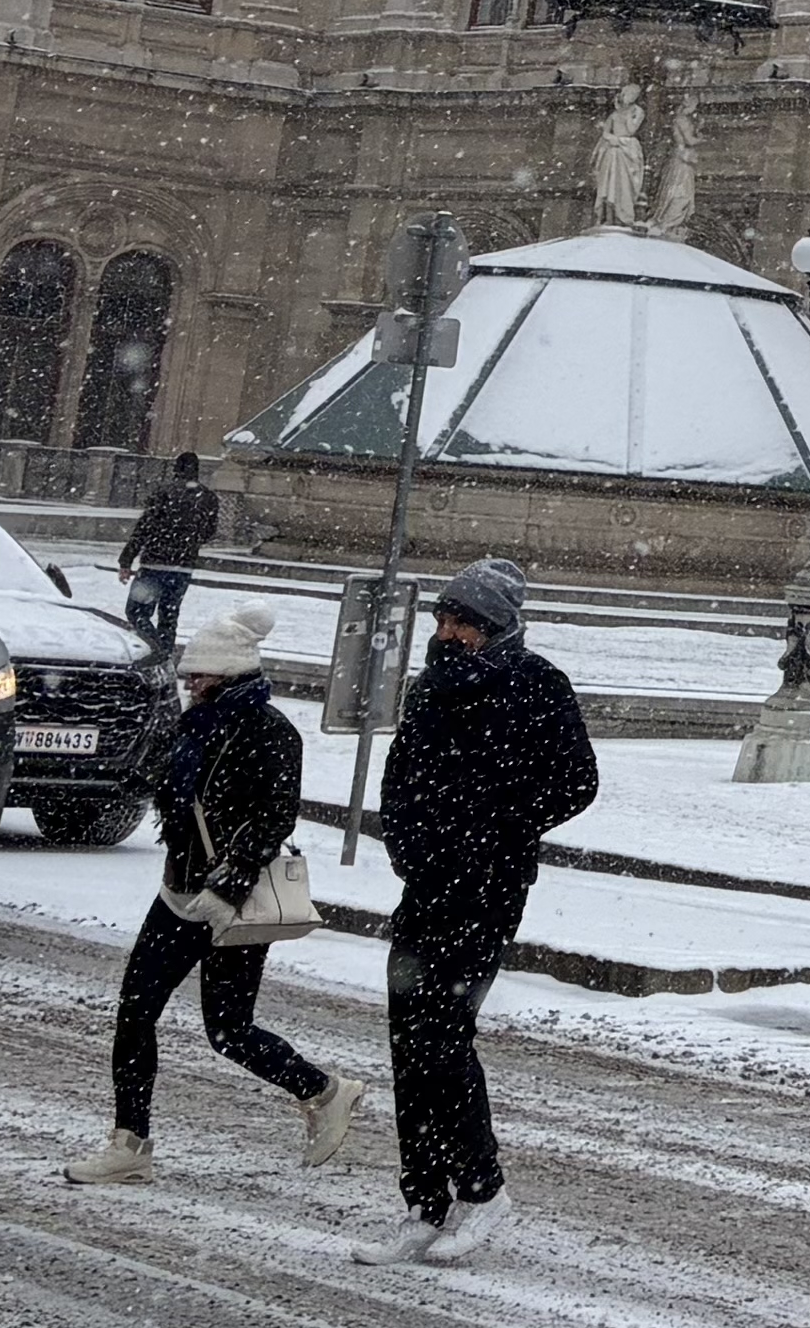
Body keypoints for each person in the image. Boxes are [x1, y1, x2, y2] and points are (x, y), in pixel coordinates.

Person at [66, 605, 363, 1183]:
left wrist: (227, 887)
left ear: (229, 675)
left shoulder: (273, 733)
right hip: (179, 892)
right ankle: (130, 1145)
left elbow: (273, 817)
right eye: (189, 676)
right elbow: (167, 790)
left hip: (230, 903)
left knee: (228, 1032)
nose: (190, 684)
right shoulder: (192, 725)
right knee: (136, 1013)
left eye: (199, 676)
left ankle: (325, 1091)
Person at [362, 557, 598, 1264]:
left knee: (444, 1038)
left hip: (487, 888)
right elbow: (400, 774)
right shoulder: (430, 686)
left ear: (495, 626)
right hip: (427, 884)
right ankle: (424, 1201)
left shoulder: (535, 685)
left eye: (462, 619)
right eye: (444, 616)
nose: (448, 629)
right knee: (409, 1041)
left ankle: (483, 1188)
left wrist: (497, 827)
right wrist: (405, 840)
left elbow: (577, 781)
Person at [118, 450, 223, 657]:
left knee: (137, 612)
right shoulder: (208, 497)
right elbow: (210, 531)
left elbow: (144, 528)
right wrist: (190, 543)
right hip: (183, 567)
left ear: (176, 469)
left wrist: (126, 560)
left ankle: (155, 650)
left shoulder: (163, 493)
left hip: (154, 565)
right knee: (169, 615)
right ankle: (165, 652)